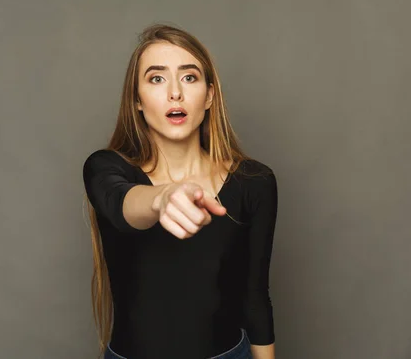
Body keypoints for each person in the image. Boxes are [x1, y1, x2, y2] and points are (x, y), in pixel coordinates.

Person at [82, 23, 278, 359]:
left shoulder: (254, 181)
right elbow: (121, 201)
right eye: (156, 78)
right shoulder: (104, 167)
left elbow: (255, 296)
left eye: (189, 77)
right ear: (137, 101)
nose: (175, 93)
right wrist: (162, 198)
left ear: (210, 96)